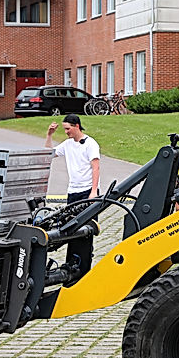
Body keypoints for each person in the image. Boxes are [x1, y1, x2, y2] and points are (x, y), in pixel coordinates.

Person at [45, 113, 100, 270]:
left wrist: (94, 191)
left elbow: (95, 167)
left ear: (76, 126)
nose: (66, 132)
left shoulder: (91, 144)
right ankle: (71, 262)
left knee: (86, 229)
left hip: (87, 191)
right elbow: (49, 154)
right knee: (71, 228)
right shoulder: (67, 144)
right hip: (73, 192)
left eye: (68, 129)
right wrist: (49, 135)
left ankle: (84, 265)